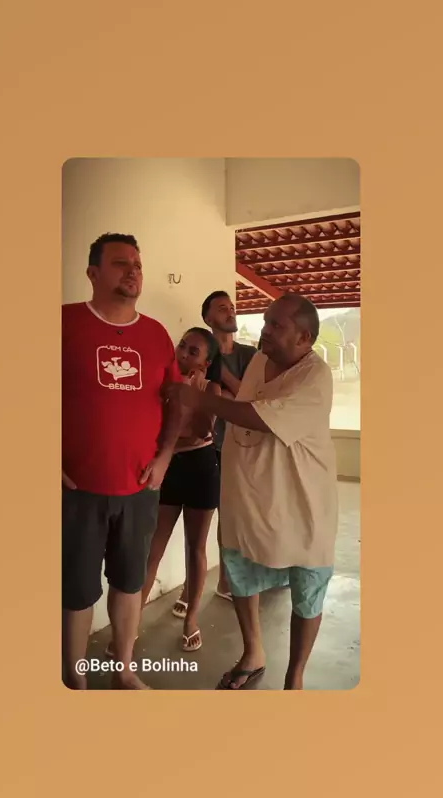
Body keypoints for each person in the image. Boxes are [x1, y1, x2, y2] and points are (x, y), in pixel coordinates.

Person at [172, 293, 338, 690]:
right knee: (241, 573)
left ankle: (294, 675)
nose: (265, 330)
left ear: (304, 338)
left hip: (300, 502)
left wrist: (196, 397)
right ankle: (253, 653)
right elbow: (243, 400)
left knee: (307, 587)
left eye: (276, 325)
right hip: (247, 494)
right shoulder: (261, 359)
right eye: (265, 322)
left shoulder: (315, 377)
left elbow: (258, 416)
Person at [62, 232, 182, 690]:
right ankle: (75, 682)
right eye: (120, 263)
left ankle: (123, 669)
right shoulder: (63, 323)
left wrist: (166, 455)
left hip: (139, 488)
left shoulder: (156, 334)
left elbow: (175, 402)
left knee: (130, 584)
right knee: (76, 592)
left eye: (137, 264)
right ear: (93, 273)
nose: (133, 270)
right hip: (78, 491)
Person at [106, 327, 222, 655]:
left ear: (206, 362)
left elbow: (203, 431)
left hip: (200, 468)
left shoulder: (210, 388)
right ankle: (131, 626)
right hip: (167, 468)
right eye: (182, 345)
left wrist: (191, 395)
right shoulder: (161, 381)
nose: (183, 353)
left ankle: (191, 620)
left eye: (193, 351)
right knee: (151, 550)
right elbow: (154, 429)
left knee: (195, 548)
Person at [171, 291, 256, 618]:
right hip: (204, 448)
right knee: (196, 529)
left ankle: (224, 581)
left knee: (230, 518)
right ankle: (189, 588)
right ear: (208, 318)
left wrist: (218, 370)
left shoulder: (249, 355)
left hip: (239, 446)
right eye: (222, 308)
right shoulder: (195, 354)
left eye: (232, 307)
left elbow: (251, 398)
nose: (231, 312)